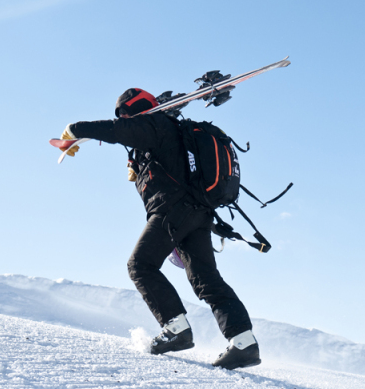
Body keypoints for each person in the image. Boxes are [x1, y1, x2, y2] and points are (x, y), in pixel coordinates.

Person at [59, 88, 261, 370]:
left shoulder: (155, 124)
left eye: (126, 113)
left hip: (174, 211)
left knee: (140, 265)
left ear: (136, 109)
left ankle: (175, 328)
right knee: (206, 279)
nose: (124, 119)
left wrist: (74, 129)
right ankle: (244, 343)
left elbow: (116, 131)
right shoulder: (166, 133)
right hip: (197, 213)